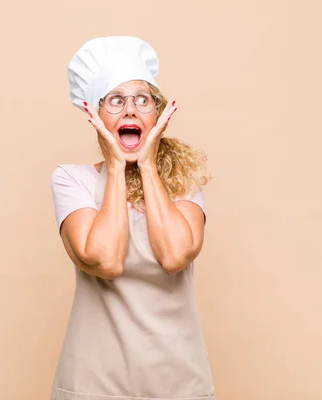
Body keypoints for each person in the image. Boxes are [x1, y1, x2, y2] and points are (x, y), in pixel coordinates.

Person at [49, 36, 216, 400]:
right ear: (94, 114)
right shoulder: (72, 179)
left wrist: (147, 165)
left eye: (143, 100)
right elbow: (105, 260)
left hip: (179, 381)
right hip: (93, 383)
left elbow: (174, 255)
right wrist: (115, 167)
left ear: (158, 114)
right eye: (116, 100)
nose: (130, 110)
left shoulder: (184, 183)